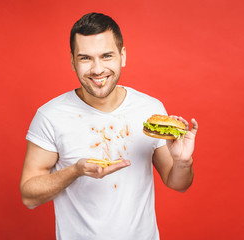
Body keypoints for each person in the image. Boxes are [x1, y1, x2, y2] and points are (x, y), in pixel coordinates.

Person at [20, 12, 198, 240]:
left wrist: (183, 162)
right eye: (85, 58)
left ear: (122, 56)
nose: (97, 69)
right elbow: (29, 196)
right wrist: (76, 171)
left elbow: (178, 184)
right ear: (73, 61)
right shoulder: (50, 116)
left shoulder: (149, 108)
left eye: (106, 56)